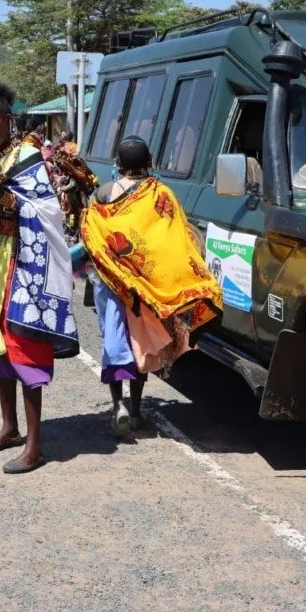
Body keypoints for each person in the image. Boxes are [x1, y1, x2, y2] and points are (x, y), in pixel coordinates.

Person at [0, 84, 82, 474]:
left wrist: (8, 202)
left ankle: (35, 444)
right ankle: (9, 427)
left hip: (25, 264)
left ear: (8, 120)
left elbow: (46, 210)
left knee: (24, 345)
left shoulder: (27, 155)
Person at [78, 136, 223, 435]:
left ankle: (117, 404)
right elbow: (178, 239)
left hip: (111, 282)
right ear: (150, 163)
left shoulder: (102, 196)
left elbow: (90, 238)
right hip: (147, 287)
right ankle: (136, 410)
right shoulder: (161, 195)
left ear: (117, 164)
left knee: (114, 338)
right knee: (141, 340)